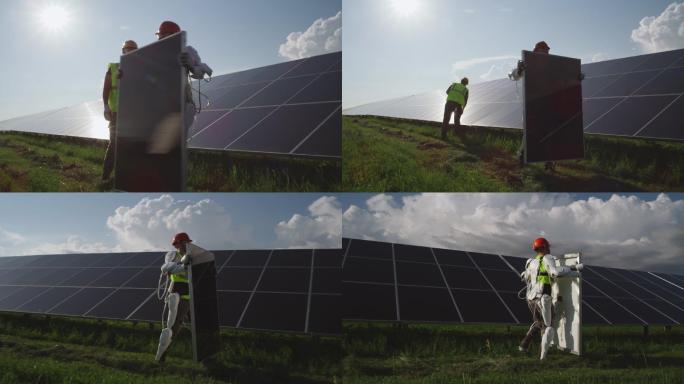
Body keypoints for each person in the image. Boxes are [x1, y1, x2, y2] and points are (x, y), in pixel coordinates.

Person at [518, 237, 583, 360]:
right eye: (548, 247)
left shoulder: (530, 262)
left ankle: (524, 344)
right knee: (549, 327)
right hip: (543, 297)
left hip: (530, 299)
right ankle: (542, 359)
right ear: (544, 247)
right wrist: (574, 268)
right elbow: (555, 272)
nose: (549, 249)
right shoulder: (548, 258)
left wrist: (574, 274)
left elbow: (525, 276)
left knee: (539, 322)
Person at [155, 21, 213, 138]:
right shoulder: (155, 53)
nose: (160, 38)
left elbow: (202, 72)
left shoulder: (187, 51)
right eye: (159, 36)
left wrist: (190, 65)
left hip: (182, 104)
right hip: (160, 106)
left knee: (177, 141)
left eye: (162, 35)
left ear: (171, 35)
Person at [508, 41, 556, 170]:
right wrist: (519, 69)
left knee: (550, 132)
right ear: (536, 50)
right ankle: (523, 156)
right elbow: (514, 76)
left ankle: (549, 161)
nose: (545, 52)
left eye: (547, 50)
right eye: (543, 50)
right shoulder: (528, 64)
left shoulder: (552, 66)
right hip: (532, 105)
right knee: (530, 132)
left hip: (548, 104)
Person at [155, 232, 195, 362]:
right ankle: (162, 355)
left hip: (191, 295)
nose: (186, 245)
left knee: (200, 326)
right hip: (178, 294)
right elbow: (166, 267)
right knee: (173, 327)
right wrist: (183, 266)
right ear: (177, 244)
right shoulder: (173, 255)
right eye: (183, 242)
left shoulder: (192, 257)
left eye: (187, 242)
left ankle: (205, 355)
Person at [101, 40, 138, 182]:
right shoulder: (114, 68)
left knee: (129, 145)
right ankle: (105, 178)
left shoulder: (138, 70)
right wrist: (105, 107)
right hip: (116, 113)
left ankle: (123, 176)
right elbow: (106, 89)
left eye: (132, 50)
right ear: (123, 51)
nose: (129, 52)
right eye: (127, 49)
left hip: (131, 114)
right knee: (114, 145)